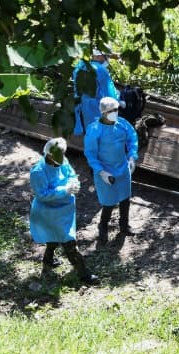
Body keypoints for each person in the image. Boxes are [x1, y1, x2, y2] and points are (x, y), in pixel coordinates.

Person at [29, 138, 98, 284]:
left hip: (65, 209)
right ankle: (84, 274)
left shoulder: (62, 160)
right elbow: (42, 195)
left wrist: (74, 183)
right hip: (49, 212)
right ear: (48, 154)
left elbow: (71, 174)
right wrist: (64, 190)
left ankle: (48, 261)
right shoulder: (38, 171)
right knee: (69, 242)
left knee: (53, 239)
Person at [83, 96, 139, 243]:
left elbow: (132, 138)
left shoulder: (122, 124)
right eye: (111, 111)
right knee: (108, 202)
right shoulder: (95, 130)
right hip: (105, 170)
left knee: (125, 199)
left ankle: (124, 225)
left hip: (122, 167)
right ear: (103, 113)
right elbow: (90, 154)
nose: (115, 113)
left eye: (116, 110)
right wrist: (101, 172)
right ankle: (103, 227)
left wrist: (132, 157)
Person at [73, 48, 124, 136]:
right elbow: (109, 93)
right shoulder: (100, 69)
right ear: (99, 56)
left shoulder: (79, 66)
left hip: (80, 108)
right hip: (95, 108)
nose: (106, 59)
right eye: (106, 56)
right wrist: (120, 102)